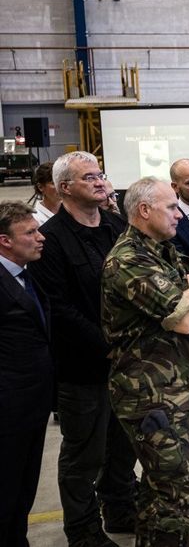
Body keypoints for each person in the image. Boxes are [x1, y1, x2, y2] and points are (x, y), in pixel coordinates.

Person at [101, 177, 189, 547]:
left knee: (169, 486)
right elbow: (185, 321)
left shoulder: (162, 249)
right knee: (175, 487)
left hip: (176, 390)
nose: (178, 215)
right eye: (171, 207)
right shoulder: (128, 260)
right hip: (148, 395)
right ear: (144, 211)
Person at [33, 151, 137, 547]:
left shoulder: (116, 226)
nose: (99, 181)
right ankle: (83, 530)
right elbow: (57, 308)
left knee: (123, 444)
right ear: (64, 188)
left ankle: (120, 509)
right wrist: (108, 345)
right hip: (83, 367)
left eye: (100, 175)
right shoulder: (52, 239)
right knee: (83, 454)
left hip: (127, 363)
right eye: (88, 177)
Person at [0, 202, 52, 547]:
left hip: (33, 403)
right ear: (5, 241)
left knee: (24, 485)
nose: (40, 237)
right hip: (7, 407)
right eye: (30, 233)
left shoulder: (28, 273)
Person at [31, 161, 61, 226]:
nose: (60, 187)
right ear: (40, 187)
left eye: (61, 182)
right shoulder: (35, 219)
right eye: (53, 183)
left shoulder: (72, 210)